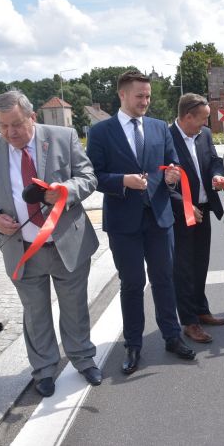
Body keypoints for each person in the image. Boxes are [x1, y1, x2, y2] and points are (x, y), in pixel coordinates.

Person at [0, 90, 101, 397]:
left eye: (16, 124)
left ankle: (83, 359)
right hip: (22, 250)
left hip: (67, 244)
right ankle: (43, 370)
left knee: (75, 309)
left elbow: (88, 176)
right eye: (2, 126)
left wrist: (66, 190)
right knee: (35, 314)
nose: (9, 133)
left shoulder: (62, 137)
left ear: (32, 117)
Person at [86, 70, 194, 375]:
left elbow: (171, 164)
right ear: (122, 95)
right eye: (139, 96)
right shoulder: (101, 132)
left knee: (164, 279)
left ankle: (172, 336)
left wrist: (172, 175)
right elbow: (93, 176)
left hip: (159, 218)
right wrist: (123, 181)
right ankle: (133, 344)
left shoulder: (160, 128)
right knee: (132, 283)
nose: (145, 101)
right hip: (124, 222)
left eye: (148, 96)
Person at [169, 93, 224, 344]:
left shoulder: (203, 135)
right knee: (183, 269)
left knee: (201, 263)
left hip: (204, 209)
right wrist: (184, 205)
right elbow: (161, 181)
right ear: (187, 117)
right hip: (179, 214)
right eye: (202, 119)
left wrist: (217, 175)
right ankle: (189, 321)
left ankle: (201, 309)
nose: (206, 124)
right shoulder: (165, 138)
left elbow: (214, 160)